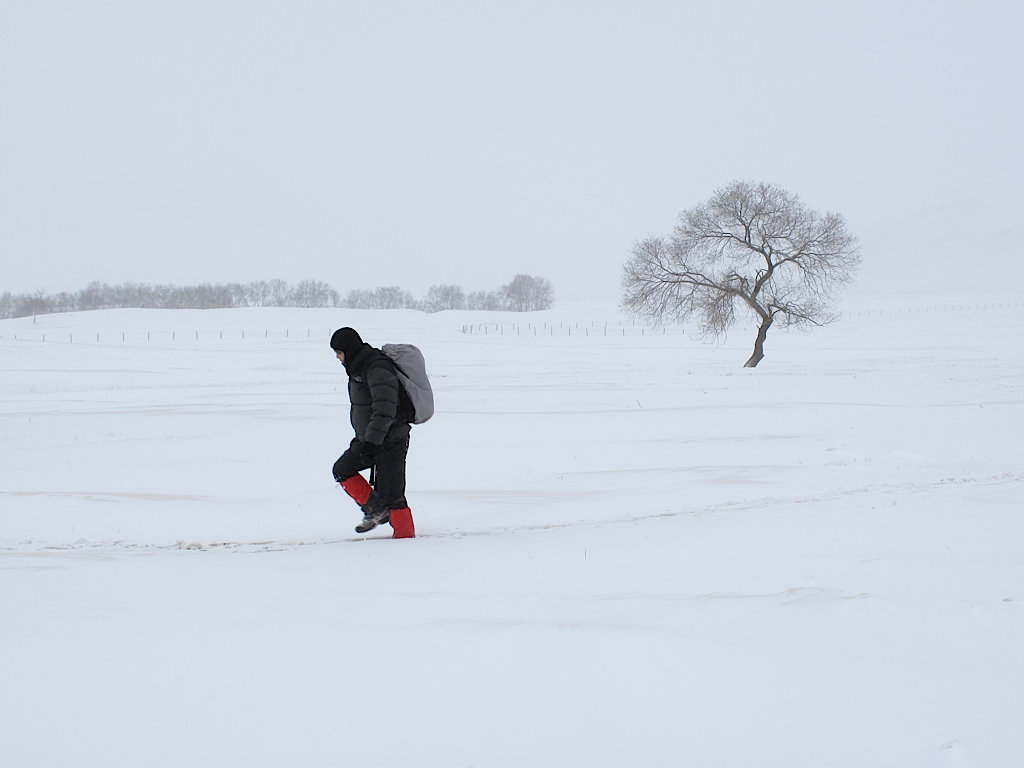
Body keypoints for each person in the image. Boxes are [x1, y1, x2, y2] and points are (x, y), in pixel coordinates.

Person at [329, 327, 416, 538]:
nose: (338, 358)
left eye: (339, 352)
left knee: (394, 497)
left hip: (391, 439)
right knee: (342, 469)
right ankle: (376, 509)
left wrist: (372, 443)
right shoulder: (359, 368)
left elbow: (385, 408)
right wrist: (368, 441)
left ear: (349, 349)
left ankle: (406, 543)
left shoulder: (376, 368)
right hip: (371, 439)